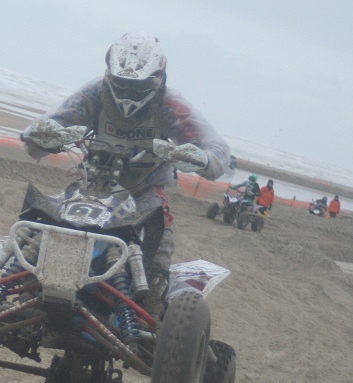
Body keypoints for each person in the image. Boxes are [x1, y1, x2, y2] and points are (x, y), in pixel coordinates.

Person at [20, 31, 230, 318]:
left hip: (143, 195)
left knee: (157, 254)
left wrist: (201, 157)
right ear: (109, 73)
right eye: (120, 84)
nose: (127, 93)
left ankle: (149, 314)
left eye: (137, 86)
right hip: (90, 188)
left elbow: (217, 149)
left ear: (157, 77)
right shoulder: (95, 93)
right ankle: (20, 281)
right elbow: (45, 126)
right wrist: (43, 135)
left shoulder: (170, 106)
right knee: (33, 223)